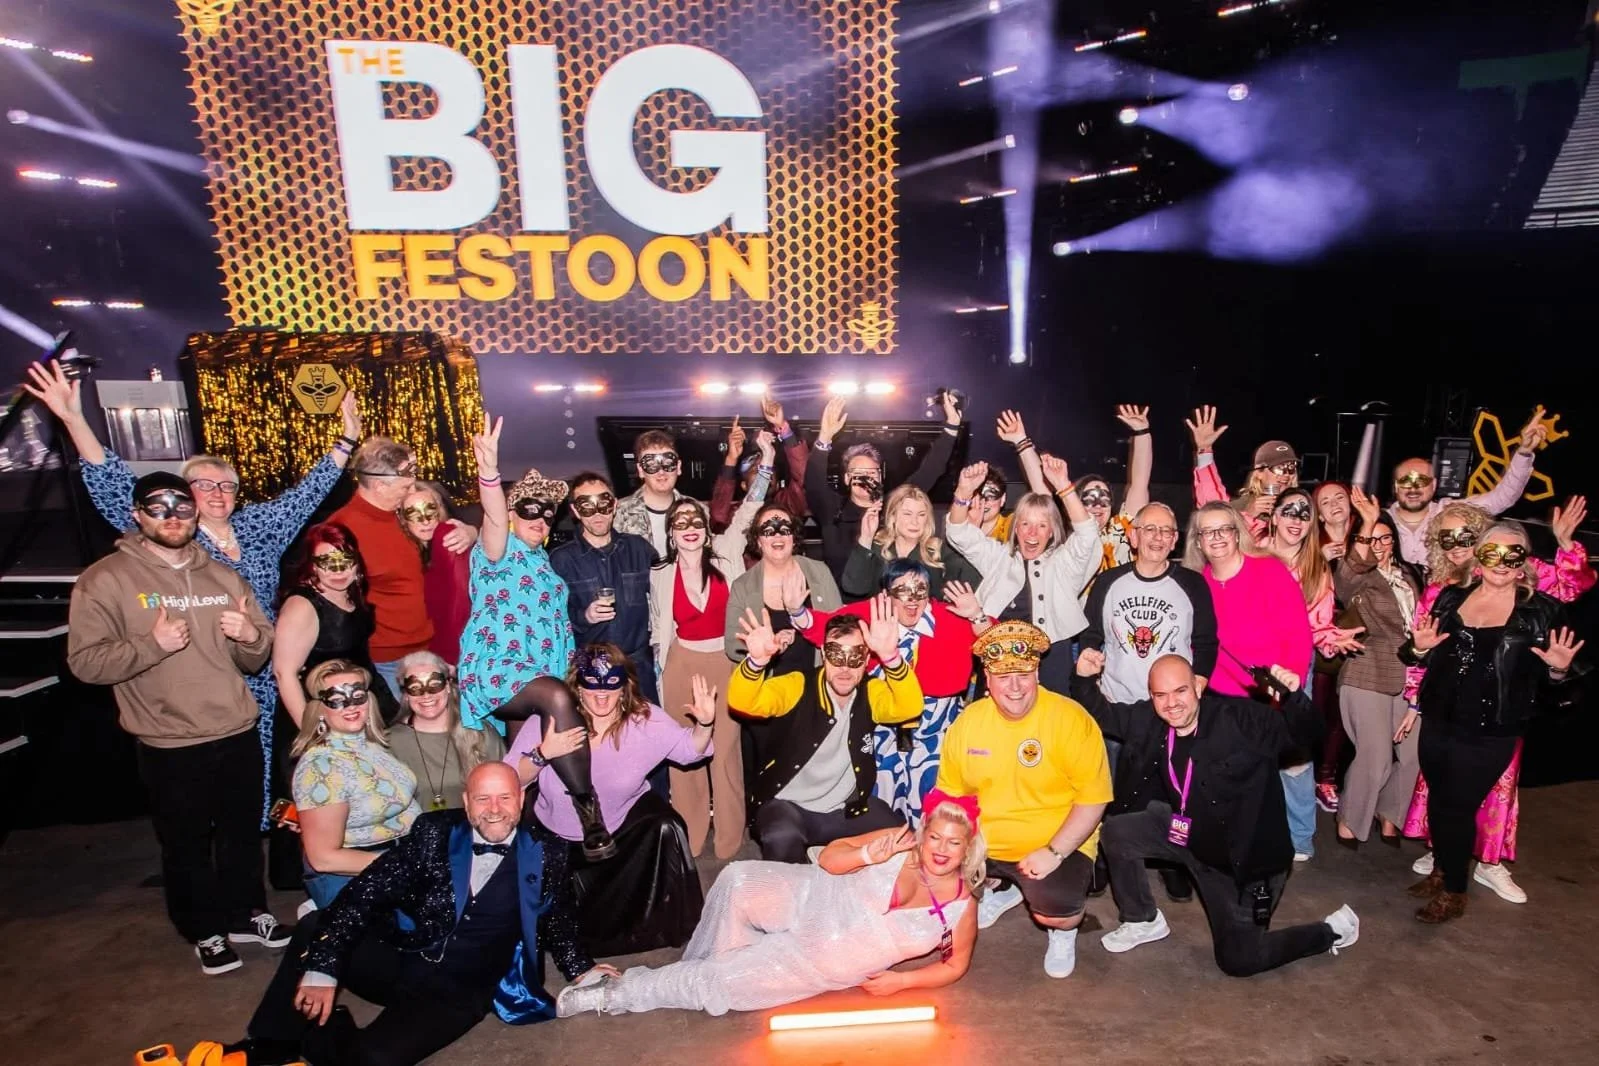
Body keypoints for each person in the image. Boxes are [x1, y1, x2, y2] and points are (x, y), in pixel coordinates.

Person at [28, 359, 360, 829]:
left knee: (259, 782)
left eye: (227, 485)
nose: (218, 493)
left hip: (258, 669)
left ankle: (251, 872)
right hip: (193, 680)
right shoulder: (172, 533)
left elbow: (305, 495)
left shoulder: (258, 528)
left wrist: (346, 441)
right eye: (203, 485)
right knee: (195, 801)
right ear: (182, 495)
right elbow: (111, 481)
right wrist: (73, 419)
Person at [229, 762, 612, 1066]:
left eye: (504, 798)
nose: (494, 810)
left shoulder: (549, 852)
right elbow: (364, 893)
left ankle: (326, 1028)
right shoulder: (434, 832)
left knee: (375, 1058)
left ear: (521, 798)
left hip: (459, 992)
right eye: (482, 799)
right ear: (466, 801)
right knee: (316, 926)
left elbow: (558, 918)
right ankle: (270, 1045)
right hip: (402, 960)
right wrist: (324, 968)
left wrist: (581, 967)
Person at [66, 471, 287, 976]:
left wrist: (251, 634)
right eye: (158, 508)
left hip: (236, 730)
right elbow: (85, 663)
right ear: (137, 514)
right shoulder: (106, 580)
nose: (172, 517)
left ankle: (244, 914)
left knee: (240, 836)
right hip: (169, 741)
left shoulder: (222, 576)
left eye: (182, 507)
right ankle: (203, 930)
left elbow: (255, 657)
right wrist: (152, 646)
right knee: (185, 843)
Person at [556, 789, 982, 1018]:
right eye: (936, 837)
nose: (941, 849)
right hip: (811, 892)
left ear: (968, 849)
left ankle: (610, 996)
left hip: (814, 960)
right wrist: (871, 855)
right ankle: (715, 970)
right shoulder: (899, 841)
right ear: (924, 833)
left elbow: (955, 965)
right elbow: (831, 860)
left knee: (715, 980)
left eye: (954, 842)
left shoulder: (963, 907)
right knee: (737, 878)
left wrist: (901, 983)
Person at [1072, 651, 1359, 975]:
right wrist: (1084, 677)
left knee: (1240, 960)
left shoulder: (1240, 719)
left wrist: (1293, 700)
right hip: (1187, 834)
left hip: (1242, 863)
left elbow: (1307, 734)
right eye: (1160, 695)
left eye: (1180, 691)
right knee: (1118, 831)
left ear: (1197, 685)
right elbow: (1102, 714)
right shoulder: (1151, 720)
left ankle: (1330, 931)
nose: (1171, 704)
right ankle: (1142, 920)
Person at [1402, 499, 1594, 902]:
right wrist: (1416, 651)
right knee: (1440, 799)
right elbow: (1419, 653)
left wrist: (1558, 670)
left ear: (1524, 562)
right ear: (1479, 557)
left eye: (1513, 554)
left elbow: (1557, 681)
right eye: (1493, 552)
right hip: (1440, 720)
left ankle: (1454, 890)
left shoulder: (1541, 610)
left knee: (1458, 806)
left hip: (1493, 731)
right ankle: (1441, 872)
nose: (1502, 563)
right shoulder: (1451, 597)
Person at [504, 646, 712, 956]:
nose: (601, 695)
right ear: (578, 685)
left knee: (668, 826)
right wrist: (542, 753)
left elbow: (689, 750)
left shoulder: (645, 719)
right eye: (592, 684)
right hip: (556, 834)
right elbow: (510, 780)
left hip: (618, 829)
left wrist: (705, 724)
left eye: (611, 684)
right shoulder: (551, 722)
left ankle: (660, 927)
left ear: (624, 685)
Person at [934, 621, 1112, 979]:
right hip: (986, 842)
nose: (1014, 687)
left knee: (1055, 910)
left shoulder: (1071, 719)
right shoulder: (968, 722)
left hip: (1053, 841)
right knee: (928, 885)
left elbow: (1094, 801)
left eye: (1023, 674)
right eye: (1003, 676)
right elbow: (950, 798)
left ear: (1037, 673)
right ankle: (1004, 888)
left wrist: (1054, 852)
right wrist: (955, 848)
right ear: (987, 678)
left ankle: (1063, 931)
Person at [727, 601, 922, 860]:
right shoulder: (798, 685)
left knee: (903, 841)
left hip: (845, 808)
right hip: (789, 805)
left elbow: (909, 707)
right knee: (781, 837)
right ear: (822, 652)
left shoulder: (871, 692)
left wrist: (891, 657)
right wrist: (756, 662)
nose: (844, 667)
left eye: (854, 657)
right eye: (835, 654)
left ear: (866, 660)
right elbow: (743, 702)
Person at [790, 558, 978, 824]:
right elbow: (827, 626)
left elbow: (996, 641)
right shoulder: (873, 613)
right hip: (885, 724)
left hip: (936, 726)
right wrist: (797, 611)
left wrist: (976, 616)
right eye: (902, 591)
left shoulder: (951, 616)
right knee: (880, 794)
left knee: (933, 797)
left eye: (920, 590)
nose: (912, 600)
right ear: (887, 595)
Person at [1183, 500, 1317, 860]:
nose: (1217, 537)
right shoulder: (1198, 585)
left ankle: (1301, 838)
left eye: (1224, 528)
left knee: (1293, 766)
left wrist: (1291, 677)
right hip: (1223, 696)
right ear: (1198, 542)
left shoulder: (1268, 571)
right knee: (1245, 775)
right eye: (1207, 531)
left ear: (1236, 532)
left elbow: (1298, 632)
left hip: (1274, 687)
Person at [650, 473, 769, 859]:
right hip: (681, 664)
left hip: (726, 662)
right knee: (684, 755)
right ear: (670, 534)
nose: (689, 528)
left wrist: (766, 462)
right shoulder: (659, 574)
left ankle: (731, 840)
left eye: (696, 521)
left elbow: (749, 513)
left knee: (726, 752)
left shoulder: (727, 555)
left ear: (706, 530)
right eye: (679, 523)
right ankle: (692, 835)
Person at [456, 415, 575, 734]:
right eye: (530, 511)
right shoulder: (499, 548)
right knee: (556, 698)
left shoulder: (543, 563)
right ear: (512, 513)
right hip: (505, 669)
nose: (541, 520)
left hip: (542, 668)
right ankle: (582, 788)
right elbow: (493, 517)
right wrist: (489, 472)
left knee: (528, 756)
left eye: (548, 515)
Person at [331, 436, 475, 699]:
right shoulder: (341, 530)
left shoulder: (401, 516)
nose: (412, 487)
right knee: (407, 733)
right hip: (388, 662)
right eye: (405, 482)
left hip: (434, 651)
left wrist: (470, 531)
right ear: (378, 485)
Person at [944, 457, 1102, 695]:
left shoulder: (1065, 563)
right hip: (998, 658)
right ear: (1015, 527)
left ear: (1051, 532)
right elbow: (958, 532)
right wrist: (963, 492)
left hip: (1052, 661)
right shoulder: (999, 557)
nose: (1032, 532)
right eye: (1025, 523)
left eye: (1041, 525)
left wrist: (1064, 486)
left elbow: (1087, 534)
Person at [1332, 490, 1424, 847]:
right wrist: (1366, 523)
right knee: (1376, 757)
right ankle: (1349, 822)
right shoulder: (1360, 578)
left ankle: (1390, 814)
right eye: (1372, 539)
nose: (1380, 544)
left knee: (1416, 754)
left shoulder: (1412, 574)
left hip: (1411, 677)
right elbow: (1346, 576)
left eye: (1385, 537)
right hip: (1367, 672)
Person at [291, 660, 421, 909]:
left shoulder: (373, 746)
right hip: (360, 883)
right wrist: (402, 867)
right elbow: (323, 858)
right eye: (337, 699)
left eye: (358, 696)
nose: (351, 706)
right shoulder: (322, 767)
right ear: (320, 709)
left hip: (399, 863)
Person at [807, 391, 963, 579]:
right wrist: (824, 437)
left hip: (887, 601)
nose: (865, 478)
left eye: (871, 472)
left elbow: (930, 470)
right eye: (858, 473)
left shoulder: (894, 506)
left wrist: (952, 426)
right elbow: (813, 482)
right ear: (847, 478)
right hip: (842, 603)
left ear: (880, 477)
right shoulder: (833, 510)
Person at [1081, 501, 1219, 704]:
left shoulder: (1193, 583)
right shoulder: (1107, 581)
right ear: (1134, 537)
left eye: (1166, 530)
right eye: (1150, 529)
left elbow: (1206, 642)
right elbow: (1090, 635)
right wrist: (1090, 665)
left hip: (1172, 707)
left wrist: (1198, 680)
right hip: (1116, 704)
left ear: (1174, 540)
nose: (1158, 537)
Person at [1386, 407, 1548, 566]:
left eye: (1422, 481)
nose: (1413, 489)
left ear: (1434, 484)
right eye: (1406, 482)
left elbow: (1504, 496)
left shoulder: (1453, 512)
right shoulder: (1378, 520)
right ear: (1395, 486)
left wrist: (1524, 451)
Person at [272, 523, 396, 729]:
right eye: (327, 562)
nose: (338, 571)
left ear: (356, 563)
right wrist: (313, 732)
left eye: (345, 561)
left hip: (362, 703)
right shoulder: (302, 606)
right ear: (313, 565)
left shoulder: (351, 592)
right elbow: (284, 673)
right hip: (324, 712)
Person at [551, 470, 661, 701]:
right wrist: (584, 617)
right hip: (590, 663)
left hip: (638, 663)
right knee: (599, 734)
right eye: (586, 505)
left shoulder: (638, 548)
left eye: (603, 502)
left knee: (649, 731)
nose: (597, 513)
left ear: (615, 504)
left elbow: (669, 583)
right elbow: (552, 620)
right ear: (574, 511)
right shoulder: (561, 559)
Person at [723, 502, 842, 675]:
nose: (777, 537)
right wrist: (767, 647)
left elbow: (840, 629)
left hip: (815, 684)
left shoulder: (819, 572)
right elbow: (732, 645)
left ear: (794, 537)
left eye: (785, 529)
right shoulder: (743, 586)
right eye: (768, 531)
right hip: (769, 688)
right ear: (758, 541)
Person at [386, 650, 506, 813]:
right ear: (406, 695)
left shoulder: (479, 732)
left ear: (448, 686)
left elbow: (504, 790)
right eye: (415, 688)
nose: (426, 695)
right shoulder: (390, 742)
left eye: (435, 685)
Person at [841, 483, 980, 600]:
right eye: (907, 514)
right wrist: (866, 538)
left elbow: (967, 587)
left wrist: (970, 536)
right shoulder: (875, 548)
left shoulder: (939, 551)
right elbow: (853, 588)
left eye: (921, 515)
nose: (915, 522)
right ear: (893, 516)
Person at [1186, 404, 1297, 542]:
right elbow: (1213, 507)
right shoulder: (1242, 506)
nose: (1286, 474)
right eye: (1278, 468)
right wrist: (1204, 449)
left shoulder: (1302, 506)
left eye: (1291, 467)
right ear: (1259, 473)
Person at [1071, 405, 1155, 587]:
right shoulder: (1065, 542)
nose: (1098, 505)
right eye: (1089, 498)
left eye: (1104, 498)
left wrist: (1142, 433)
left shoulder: (1120, 533)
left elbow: (1139, 484)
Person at [708, 393, 811, 530]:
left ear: (777, 483)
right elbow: (718, 516)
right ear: (743, 485)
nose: (765, 475)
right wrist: (731, 458)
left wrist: (782, 427)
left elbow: (802, 474)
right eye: (757, 470)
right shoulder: (735, 513)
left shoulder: (788, 506)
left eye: (769, 471)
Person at [397, 481, 473, 666]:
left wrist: (452, 658)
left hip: (452, 654)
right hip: (423, 652)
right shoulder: (409, 550)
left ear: (439, 509)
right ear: (401, 518)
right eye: (413, 513)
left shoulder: (447, 536)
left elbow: (460, 601)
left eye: (430, 509)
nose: (425, 520)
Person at [614, 428, 693, 557]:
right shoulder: (618, 514)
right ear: (640, 470)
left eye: (668, 463)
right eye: (651, 464)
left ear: (678, 467)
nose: (661, 472)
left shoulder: (697, 511)